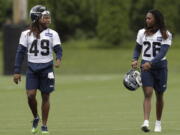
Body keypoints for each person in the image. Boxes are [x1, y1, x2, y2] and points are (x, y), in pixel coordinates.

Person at [13, 5, 62, 134]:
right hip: (32, 69)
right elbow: (20, 52)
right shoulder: (26, 34)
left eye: (48, 17)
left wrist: (58, 59)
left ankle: (44, 125)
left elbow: (58, 49)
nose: (47, 19)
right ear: (36, 18)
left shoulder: (53, 33)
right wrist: (17, 71)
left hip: (47, 69)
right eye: (44, 17)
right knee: (30, 95)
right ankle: (36, 117)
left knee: (46, 96)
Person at [131, 9, 172, 132]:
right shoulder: (141, 33)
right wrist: (134, 59)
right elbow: (137, 48)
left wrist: (151, 63)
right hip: (145, 67)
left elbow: (163, 52)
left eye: (149, 18)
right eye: (146, 18)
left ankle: (158, 123)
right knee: (148, 93)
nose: (147, 20)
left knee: (159, 95)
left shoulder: (166, 34)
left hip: (160, 67)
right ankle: (146, 122)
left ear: (156, 19)